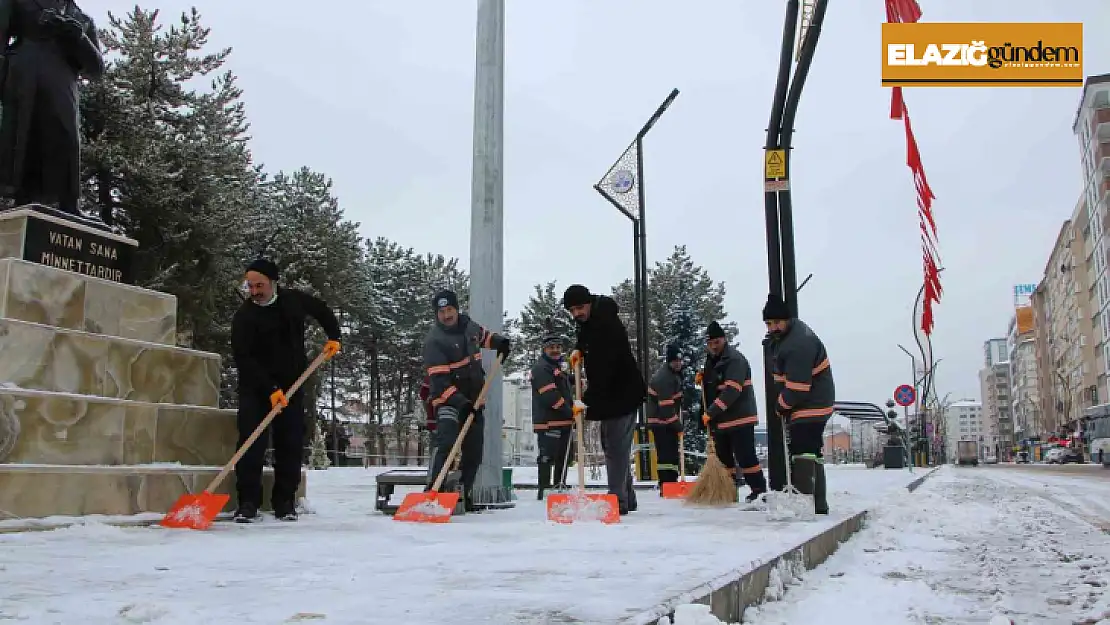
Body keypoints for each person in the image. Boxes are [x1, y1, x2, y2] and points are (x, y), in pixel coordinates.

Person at [231, 257, 341, 522]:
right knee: (250, 443)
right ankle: (248, 502)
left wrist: (334, 336)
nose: (255, 291)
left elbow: (322, 310)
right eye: (251, 286)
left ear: (273, 283)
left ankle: (284, 502)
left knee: (289, 443)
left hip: (293, 384)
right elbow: (243, 358)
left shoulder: (293, 301)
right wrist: (269, 388)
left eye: (260, 285)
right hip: (256, 388)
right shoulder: (245, 317)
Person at [0, 0, 105, 217]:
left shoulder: (82, 18)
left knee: (68, 136)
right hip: (25, 73)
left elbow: (96, 69)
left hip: (63, 79)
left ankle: (70, 203)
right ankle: (23, 197)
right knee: (26, 132)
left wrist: (78, 36)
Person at [422, 289, 511, 512]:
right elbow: (440, 382)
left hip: (475, 399)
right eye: (441, 311)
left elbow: (484, 337)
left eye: (449, 309)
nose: (446, 315)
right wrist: (462, 403)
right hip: (448, 401)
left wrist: (499, 342)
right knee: (447, 443)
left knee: (474, 451)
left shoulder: (469, 327)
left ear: (456, 309)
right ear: (436, 314)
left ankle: (463, 493)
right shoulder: (434, 342)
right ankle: (433, 491)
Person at [563, 284, 647, 515]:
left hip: (622, 393)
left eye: (580, 307)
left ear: (589, 302)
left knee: (615, 449)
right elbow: (586, 339)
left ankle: (617, 501)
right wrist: (579, 349)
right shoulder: (592, 321)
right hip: (613, 395)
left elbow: (604, 369)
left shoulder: (606, 325)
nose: (577, 313)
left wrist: (586, 400)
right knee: (613, 447)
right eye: (572, 310)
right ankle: (627, 499)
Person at [763, 295, 834, 515]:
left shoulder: (797, 345)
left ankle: (804, 505)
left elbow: (797, 387)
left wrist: (781, 406)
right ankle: (818, 504)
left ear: (787, 320)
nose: (773, 327)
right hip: (813, 402)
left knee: (803, 451)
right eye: (769, 323)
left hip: (811, 403)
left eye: (777, 323)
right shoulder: (787, 338)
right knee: (812, 452)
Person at [696, 321, 767, 502]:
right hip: (721, 421)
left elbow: (732, 391)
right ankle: (728, 490)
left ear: (724, 340)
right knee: (724, 459)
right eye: (710, 343)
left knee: (745, 457)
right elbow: (712, 389)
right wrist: (704, 380)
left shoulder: (735, 360)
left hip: (739, 418)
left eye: (716, 342)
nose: (713, 346)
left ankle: (759, 490)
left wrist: (710, 412)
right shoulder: (712, 362)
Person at [529, 332, 574, 500]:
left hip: (563, 421)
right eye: (551, 348)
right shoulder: (541, 369)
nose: (555, 350)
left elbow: (564, 381)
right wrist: (571, 411)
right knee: (548, 456)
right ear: (544, 349)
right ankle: (545, 489)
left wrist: (574, 379)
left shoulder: (557, 367)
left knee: (564, 457)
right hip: (549, 422)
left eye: (558, 347)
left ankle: (559, 486)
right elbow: (550, 396)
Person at [647, 344, 685, 486]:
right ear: (669, 361)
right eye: (676, 361)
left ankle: (671, 481)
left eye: (680, 361)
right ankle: (666, 482)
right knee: (666, 455)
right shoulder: (664, 378)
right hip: (662, 423)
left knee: (672, 455)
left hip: (667, 422)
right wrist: (678, 425)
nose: (678, 364)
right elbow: (666, 406)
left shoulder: (673, 375)